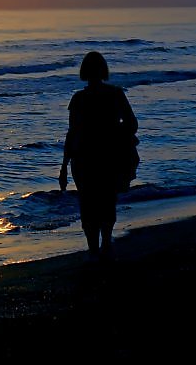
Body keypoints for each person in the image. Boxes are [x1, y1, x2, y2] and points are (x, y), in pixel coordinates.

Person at [59, 51, 138, 259]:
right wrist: (115, 133)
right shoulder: (116, 94)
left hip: (83, 159)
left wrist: (63, 167)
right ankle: (105, 243)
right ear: (104, 71)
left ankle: (94, 247)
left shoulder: (78, 99)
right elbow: (132, 124)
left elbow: (71, 133)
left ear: (84, 72)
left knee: (88, 203)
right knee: (106, 200)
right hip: (109, 157)